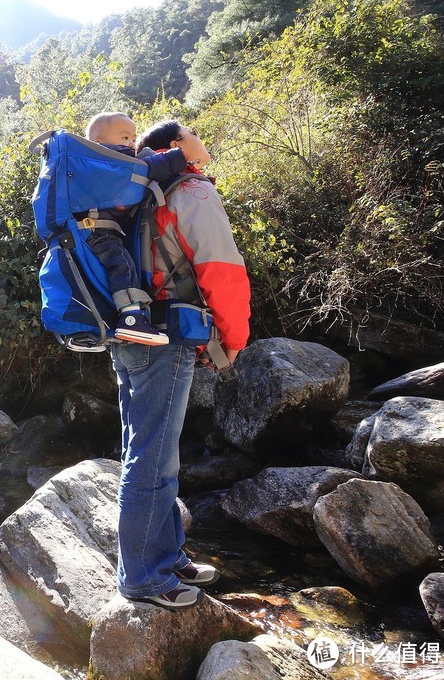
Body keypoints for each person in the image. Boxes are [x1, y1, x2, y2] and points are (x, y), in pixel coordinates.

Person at [107, 119, 251, 609]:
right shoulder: (189, 191)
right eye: (191, 131)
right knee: (152, 458)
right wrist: (233, 339)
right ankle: (144, 578)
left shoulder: (133, 198)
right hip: (163, 338)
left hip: (129, 334)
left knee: (148, 449)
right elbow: (223, 272)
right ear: (174, 147)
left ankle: (166, 556)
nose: (200, 136)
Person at [78, 112, 188, 345]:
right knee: (122, 266)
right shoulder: (109, 162)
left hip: (93, 231)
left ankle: (129, 317)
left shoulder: (92, 167)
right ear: (99, 144)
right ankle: (131, 318)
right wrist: (180, 157)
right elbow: (147, 167)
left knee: (118, 269)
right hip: (98, 233)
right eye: (125, 137)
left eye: (133, 138)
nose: (131, 144)